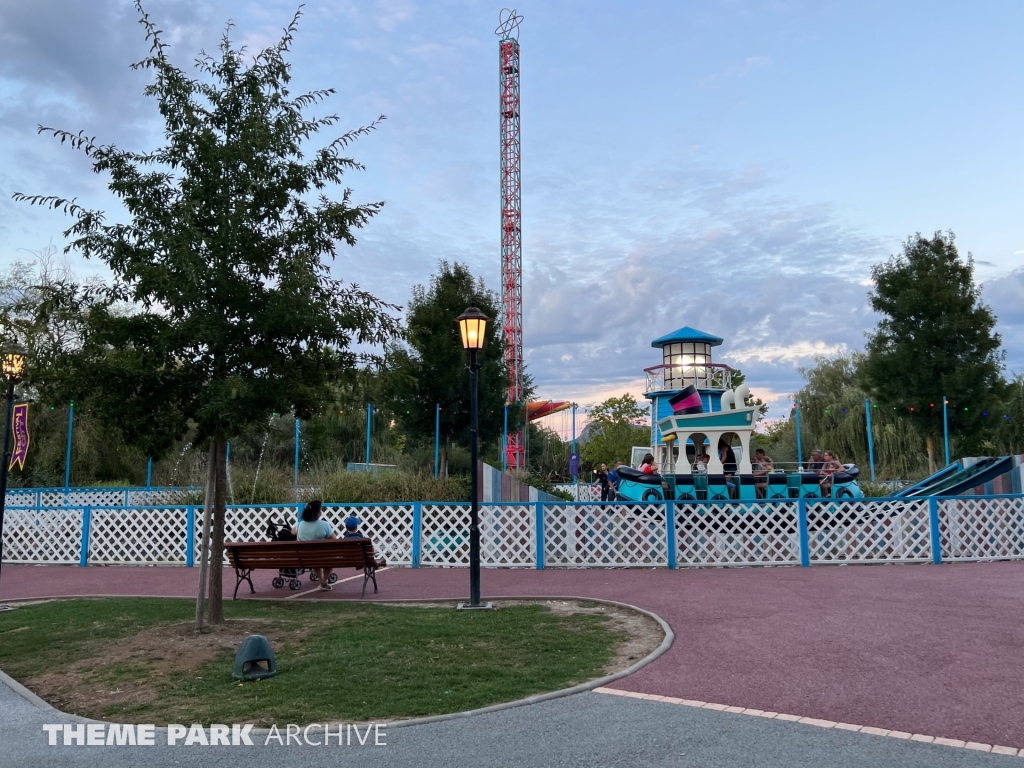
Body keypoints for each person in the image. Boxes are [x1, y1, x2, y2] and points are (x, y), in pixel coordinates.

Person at [291, 499, 337, 591]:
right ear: (317, 513)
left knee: (315, 558)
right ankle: (323, 582)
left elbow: (292, 532)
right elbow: (334, 539)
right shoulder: (324, 525)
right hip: (321, 556)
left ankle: (322, 581)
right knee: (329, 559)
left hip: (304, 557)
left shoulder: (300, 525)